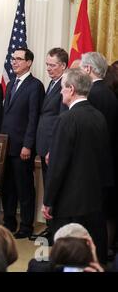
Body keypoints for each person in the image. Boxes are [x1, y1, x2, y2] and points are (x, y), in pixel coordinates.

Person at [43, 68, 112, 264]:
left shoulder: (66, 119)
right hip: (95, 200)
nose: (60, 92)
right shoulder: (98, 116)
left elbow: (58, 166)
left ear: (71, 89)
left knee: (69, 259)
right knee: (91, 257)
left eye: (63, 88)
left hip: (69, 203)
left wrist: (48, 200)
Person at [1, 47, 45, 239]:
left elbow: (33, 118)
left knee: (24, 188)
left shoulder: (35, 86)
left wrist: (28, 145)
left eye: (19, 59)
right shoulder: (11, 84)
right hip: (6, 146)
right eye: (13, 59)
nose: (14, 62)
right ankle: (9, 222)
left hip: (22, 148)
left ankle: (26, 225)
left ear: (29, 62)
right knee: (7, 187)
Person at [81, 52, 118, 257]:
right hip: (107, 162)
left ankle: (96, 255)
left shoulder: (93, 94)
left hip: (94, 164)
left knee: (96, 215)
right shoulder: (108, 92)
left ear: (87, 69)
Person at [32, 48, 69, 241]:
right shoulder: (53, 83)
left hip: (52, 147)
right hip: (44, 145)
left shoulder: (66, 84)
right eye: (47, 64)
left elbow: (61, 120)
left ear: (63, 66)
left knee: (54, 189)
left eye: (52, 65)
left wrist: (53, 148)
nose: (48, 68)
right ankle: (50, 227)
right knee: (48, 187)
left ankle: (55, 230)